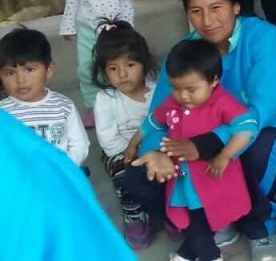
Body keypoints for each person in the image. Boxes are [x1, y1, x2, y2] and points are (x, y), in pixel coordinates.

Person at [126, 0, 276, 261]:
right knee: (137, 175)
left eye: (216, 8)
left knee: (252, 149)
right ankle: (207, 226)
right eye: (196, 11)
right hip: (199, 139)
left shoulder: (263, 37)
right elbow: (160, 116)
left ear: (235, 6)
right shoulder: (184, 53)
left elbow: (259, 112)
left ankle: (260, 225)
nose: (207, 21)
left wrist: (204, 145)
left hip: (271, 129)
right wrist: (158, 152)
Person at [151, 39, 257, 261]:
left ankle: (210, 256)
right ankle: (189, 253)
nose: (183, 96)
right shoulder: (173, 102)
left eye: (191, 89)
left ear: (214, 80)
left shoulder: (223, 102)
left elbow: (247, 127)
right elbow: (154, 121)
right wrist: (135, 142)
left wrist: (225, 156)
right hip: (182, 179)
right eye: (176, 88)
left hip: (210, 178)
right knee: (193, 218)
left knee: (199, 218)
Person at [0, 107, 135, 260]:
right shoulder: (6, 117)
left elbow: (80, 145)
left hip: (57, 181)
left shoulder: (61, 108)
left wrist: (66, 169)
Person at [91, 21, 159, 249]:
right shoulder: (106, 100)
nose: (122, 74)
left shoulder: (157, 92)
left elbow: (166, 124)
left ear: (144, 63)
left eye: (130, 64)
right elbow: (109, 142)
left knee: (169, 172)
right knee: (125, 179)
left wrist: (150, 151)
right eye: (113, 68)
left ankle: (170, 211)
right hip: (120, 152)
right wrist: (136, 153)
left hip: (155, 147)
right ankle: (135, 218)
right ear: (103, 71)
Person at [0, 27, 89, 166]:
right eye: (10, 73)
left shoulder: (63, 106)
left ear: (49, 70)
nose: (20, 80)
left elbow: (79, 144)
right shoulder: (3, 112)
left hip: (58, 173)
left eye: (29, 69)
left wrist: (64, 167)